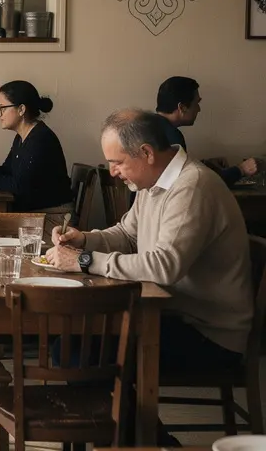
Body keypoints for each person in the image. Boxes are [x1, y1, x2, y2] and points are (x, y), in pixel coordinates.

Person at [47, 109, 252, 435]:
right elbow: (127, 235)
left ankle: (148, 442)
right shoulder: (153, 182)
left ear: (146, 153)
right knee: (74, 345)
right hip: (170, 314)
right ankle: (133, 439)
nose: (113, 172)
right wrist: (85, 239)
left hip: (209, 333)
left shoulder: (192, 186)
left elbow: (164, 266)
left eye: (117, 162)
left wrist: (84, 261)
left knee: (74, 351)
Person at [0, 80, 73, 238]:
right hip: (32, 217)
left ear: (21, 109)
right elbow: (7, 171)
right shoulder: (23, 137)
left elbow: (19, 186)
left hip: (51, 221)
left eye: (2, 108)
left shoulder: (40, 139)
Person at [156, 76, 258, 185]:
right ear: (182, 107)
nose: (199, 109)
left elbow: (176, 171)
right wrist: (241, 169)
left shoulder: (150, 127)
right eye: (197, 103)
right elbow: (191, 183)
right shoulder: (172, 136)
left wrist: (204, 164)